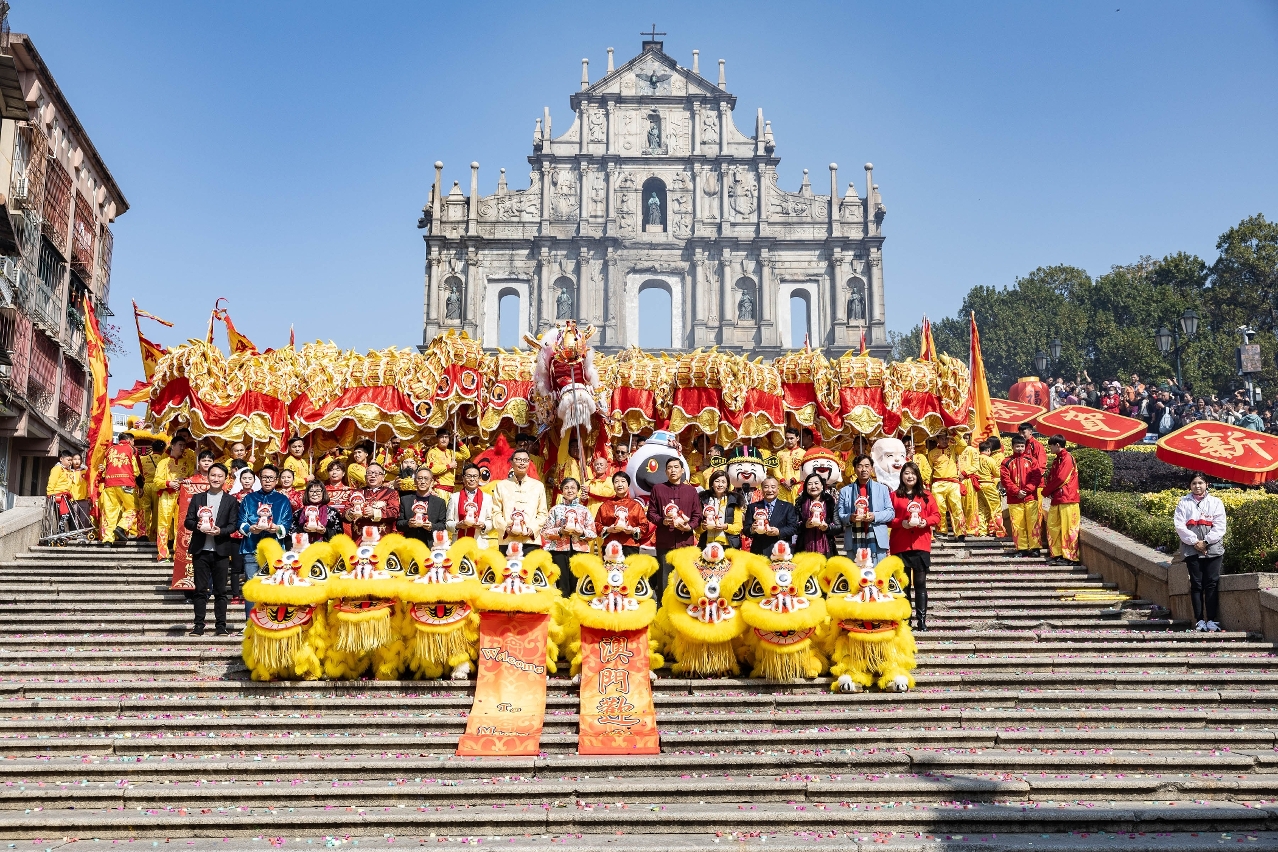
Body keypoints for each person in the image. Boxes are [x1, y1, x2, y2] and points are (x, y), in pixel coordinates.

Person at [183, 463, 236, 636]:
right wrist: (198, 526)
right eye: (213, 475)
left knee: (221, 591)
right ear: (207, 477)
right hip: (201, 550)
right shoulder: (198, 498)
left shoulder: (231, 500)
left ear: (225, 479)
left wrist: (220, 531)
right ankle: (198, 625)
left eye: (220, 476)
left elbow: (233, 525)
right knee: (200, 590)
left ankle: (221, 626)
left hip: (220, 550)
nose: (216, 479)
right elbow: (188, 521)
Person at [888, 461, 940, 632]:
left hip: (920, 543)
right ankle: (905, 620)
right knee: (903, 584)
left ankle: (922, 620)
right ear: (901, 476)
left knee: (920, 584)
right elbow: (888, 519)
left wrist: (925, 521)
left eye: (913, 473)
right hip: (900, 544)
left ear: (918, 476)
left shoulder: (926, 496)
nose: (909, 476)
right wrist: (901, 523)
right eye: (906, 473)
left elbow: (937, 516)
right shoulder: (894, 496)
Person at [237, 465, 293, 619]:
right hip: (251, 548)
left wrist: (277, 528)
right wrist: (250, 528)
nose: (267, 481)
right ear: (259, 479)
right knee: (251, 584)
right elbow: (240, 521)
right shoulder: (249, 498)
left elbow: (287, 523)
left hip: (274, 549)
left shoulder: (282, 500)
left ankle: (270, 619)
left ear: (276, 480)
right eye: (264, 477)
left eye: (271, 478)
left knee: (274, 584)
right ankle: (250, 621)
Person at [1174, 474, 1227, 632]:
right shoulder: (1184, 502)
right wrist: (1194, 541)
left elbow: (1220, 526)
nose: (1197, 486)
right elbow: (1179, 525)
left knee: (1211, 583)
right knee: (1196, 584)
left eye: (1200, 483)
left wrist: (1206, 542)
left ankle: (1211, 619)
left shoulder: (1215, 502)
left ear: (1206, 484)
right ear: (1190, 485)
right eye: (1194, 483)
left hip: (1213, 548)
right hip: (1191, 549)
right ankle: (1199, 620)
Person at [647, 457, 703, 595]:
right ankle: (663, 610)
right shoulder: (658, 489)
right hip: (665, 541)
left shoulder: (691, 491)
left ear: (683, 470)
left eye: (676, 467)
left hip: (685, 542)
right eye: (670, 468)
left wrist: (689, 527)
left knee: (685, 578)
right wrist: (662, 521)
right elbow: (651, 513)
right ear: (666, 472)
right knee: (664, 579)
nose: (673, 470)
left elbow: (698, 514)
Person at [540, 477, 598, 596]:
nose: (570, 491)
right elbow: (545, 532)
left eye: (573, 488)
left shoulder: (584, 510)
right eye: (566, 488)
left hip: (580, 549)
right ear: (561, 491)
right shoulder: (555, 510)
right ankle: (563, 610)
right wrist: (560, 531)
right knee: (562, 584)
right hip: (559, 550)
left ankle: (576, 610)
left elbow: (593, 533)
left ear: (577, 491)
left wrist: (581, 532)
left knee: (578, 582)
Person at [836, 453, 895, 564]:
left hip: (877, 540)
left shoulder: (882, 489)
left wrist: (875, 516)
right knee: (856, 577)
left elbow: (890, 512)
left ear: (871, 469)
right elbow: (840, 514)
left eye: (867, 466)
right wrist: (850, 518)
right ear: (854, 469)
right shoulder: (845, 491)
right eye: (860, 466)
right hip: (854, 539)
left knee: (877, 576)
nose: (864, 469)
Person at [492, 448, 548, 553]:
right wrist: (506, 529)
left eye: (525, 460)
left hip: (530, 541)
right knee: (507, 569)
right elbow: (495, 512)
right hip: (507, 540)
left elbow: (543, 513)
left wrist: (532, 529)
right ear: (511, 462)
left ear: (529, 463)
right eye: (518, 460)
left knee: (529, 569)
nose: (522, 463)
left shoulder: (538, 486)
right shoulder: (501, 485)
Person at [1001, 434, 1043, 558]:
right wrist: (1016, 491)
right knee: (1017, 524)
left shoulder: (1032, 461)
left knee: (1033, 522)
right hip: (1014, 499)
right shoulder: (1006, 462)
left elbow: (1036, 477)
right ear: (1012, 447)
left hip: (1030, 497)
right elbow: (1005, 480)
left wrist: (1027, 490)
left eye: (1022, 446)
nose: (1020, 448)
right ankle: (1022, 548)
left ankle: (1035, 548)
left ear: (1025, 447)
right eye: (1017, 446)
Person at [1041, 435, 1081, 566]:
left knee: (1068, 528)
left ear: (1057, 445)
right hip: (1059, 498)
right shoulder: (1058, 459)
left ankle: (1070, 557)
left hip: (1068, 498)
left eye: (1051, 446)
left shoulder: (1067, 458)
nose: (1050, 448)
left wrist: (1046, 491)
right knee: (1053, 526)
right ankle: (1057, 554)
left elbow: (1061, 478)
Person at [155, 439, 195, 562]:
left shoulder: (188, 462)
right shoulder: (163, 462)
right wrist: (169, 483)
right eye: (180, 445)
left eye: (184, 445)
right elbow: (156, 481)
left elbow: (192, 478)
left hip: (182, 497)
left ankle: (179, 553)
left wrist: (187, 480)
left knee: (181, 524)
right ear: (172, 446)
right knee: (163, 524)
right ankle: (162, 554)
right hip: (166, 495)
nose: (182, 448)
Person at [98, 431, 141, 545]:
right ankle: (121, 527)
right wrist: (141, 485)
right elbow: (135, 470)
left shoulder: (109, 450)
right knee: (132, 508)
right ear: (130, 440)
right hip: (126, 483)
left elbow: (103, 471)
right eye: (133, 441)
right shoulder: (131, 449)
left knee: (110, 513)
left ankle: (108, 541)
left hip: (109, 484)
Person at [596, 470, 650, 555]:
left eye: (623, 481)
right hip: (610, 546)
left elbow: (645, 526)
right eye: (616, 482)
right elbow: (597, 524)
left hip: (630, 546)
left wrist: (632, 530)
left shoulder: (636, 505)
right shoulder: (606, 505)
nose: (620, 484)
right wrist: (609, 529)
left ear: (628, 485)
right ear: (613, 486)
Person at [744, 475, 799, 557]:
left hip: (781, 552)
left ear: (778, 489)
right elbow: (745, 529)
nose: (770, 490)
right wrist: (752, 529)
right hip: (759, 552)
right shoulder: (752, 507)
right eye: (766, 487)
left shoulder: (788, 507)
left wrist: (779, 532)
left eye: (773, 487)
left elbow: (793, 528)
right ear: (762, 490)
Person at [346, 462, 400, 539]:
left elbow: (394, 513)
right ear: (365, 477)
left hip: (382, 538)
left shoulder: (391, 493)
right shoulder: (355, 493)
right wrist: (351, 513)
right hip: (360, 537)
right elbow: (345, 513)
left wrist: (375, 513)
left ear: (383, 477)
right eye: (369, 473)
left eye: (377, 473)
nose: (373, 475)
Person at [927, 432, 965, 540]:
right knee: (939, 508)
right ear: (937, 439)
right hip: (937, 483)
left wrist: (954, 433)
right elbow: (929, 470)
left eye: (946, 438)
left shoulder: (954, 449)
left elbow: (963, 445)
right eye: (942, 438)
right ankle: (941, 530)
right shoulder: (931, 453)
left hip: (953, 482)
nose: (944, 440)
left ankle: (960, 532)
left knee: (957, 507)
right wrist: (927, 485)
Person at [397, 467, 448, 543]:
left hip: (431, 543)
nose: (423, 482)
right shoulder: (405, 500)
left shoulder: (439, 502)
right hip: (410, 542)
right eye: (420, 478)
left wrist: (431, 526)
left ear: (431, 482)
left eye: (426, 478)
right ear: (415, 481)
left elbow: (443, 525)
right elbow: (399, 524)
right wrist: (408, 523)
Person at [447, 463, 492, 545]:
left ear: (479, 479)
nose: (472, 479)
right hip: (458, 543)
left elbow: (490, 521)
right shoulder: (454, 497)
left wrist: (483, 526)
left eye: (475, 476)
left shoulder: (487, 498)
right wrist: (457, 525)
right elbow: (448, 523)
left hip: (479, 544)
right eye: (469, 476)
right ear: (463, 478)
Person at [698, 468, 742, 549]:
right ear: (711, 483)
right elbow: (697, 528)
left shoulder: (735, 500)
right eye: (717, 481)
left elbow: (738, 527)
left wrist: (725, 526)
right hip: (707, 546)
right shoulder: (703, 500)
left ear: (727, 485)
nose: (720, 485)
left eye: (723, 482)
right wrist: (703, 527)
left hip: (728, 546)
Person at [794, 472, 837, 555]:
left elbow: (838, 527)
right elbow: (793, 526)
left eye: (816, 483)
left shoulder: (830, 502)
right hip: (804, 547)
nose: (813, 486)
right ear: (806, 487)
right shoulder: (800, 503)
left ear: (822, 486)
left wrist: (827, 528)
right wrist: (804, 525)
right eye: (809, 484)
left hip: (827, 547)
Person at [975, 438, 1006, 538]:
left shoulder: (975, 459)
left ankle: (982, 531)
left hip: (977, 486)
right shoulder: (990, 460)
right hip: (988, 484)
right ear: (988, 450)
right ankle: (999, 531)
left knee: (981, 509)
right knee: (996, 508)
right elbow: (997, 473)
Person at [427, 429, 470, 494]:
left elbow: (466, 455)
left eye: (446, 437)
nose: (444, 439)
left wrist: (459, 440)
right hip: (439, 488)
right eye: (441, 437)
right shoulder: (433, 452)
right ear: (437, 439)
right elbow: (432, 470)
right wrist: (449, 466)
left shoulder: (450, 452)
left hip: (451, 487)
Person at [775, 427, 804, 502]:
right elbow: (776, 469)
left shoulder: (803, 453)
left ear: (797, 438)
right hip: (782, 487)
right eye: (787, 438)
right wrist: (783, 481)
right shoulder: (780, 453)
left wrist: (792, 481)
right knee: (782, 510)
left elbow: (804, 470)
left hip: (796, 486)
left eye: (791, 438)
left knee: (796, 510)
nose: (789, 441)